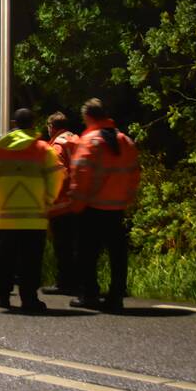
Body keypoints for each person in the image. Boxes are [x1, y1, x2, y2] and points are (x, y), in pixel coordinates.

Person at [0, 108, 64, 313]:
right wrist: (49, 198)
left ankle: (2, 295)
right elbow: (57, 175)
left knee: (5, 258)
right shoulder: (43, 149)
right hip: (34, 217)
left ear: (14, 124)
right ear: (34, 124)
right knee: (31, 260)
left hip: (6, 216)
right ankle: (29, 298)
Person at [68, 98, 140, 312]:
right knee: (117, 254)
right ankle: (116, 295)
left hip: (92, 208)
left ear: (87, 117)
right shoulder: (125, 141)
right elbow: (134, 174)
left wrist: (76, 204)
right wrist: (127, 199)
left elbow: (80, 175)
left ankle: (89, 294)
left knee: (87, 254)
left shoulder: (90, 141)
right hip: (117, 208)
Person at [42, 112, 81, 295]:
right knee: (75, 246)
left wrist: (49, 196)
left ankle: (65, 283)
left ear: (51, 127)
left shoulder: (57, 145)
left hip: (62, 204)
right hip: (79, 202)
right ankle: (78, 281)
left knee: (63, 247)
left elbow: (59, 174)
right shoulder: (77, 140)